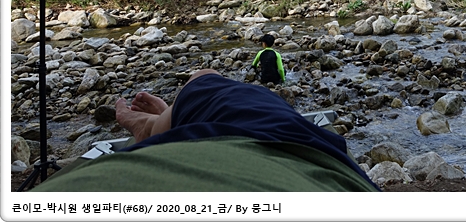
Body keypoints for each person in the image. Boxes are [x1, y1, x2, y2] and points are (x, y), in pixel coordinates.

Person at [32, 69, 379, 192]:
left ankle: (154, 126)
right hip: (311, 162)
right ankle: (166, 121)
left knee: (205, 79)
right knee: (209, 84)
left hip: (291, 149)